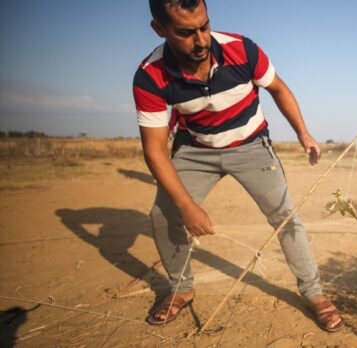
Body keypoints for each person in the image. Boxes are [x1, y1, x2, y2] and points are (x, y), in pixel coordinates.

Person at [132, 0, 343, 332]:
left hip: (251, 145)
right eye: (186, 33)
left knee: (285, 215)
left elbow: (278, 88)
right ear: (159, 29)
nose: (201, 40)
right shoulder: (149, 76)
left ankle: (314, 293)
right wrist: (186, 206)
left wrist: (304, 133)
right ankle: (181, 288)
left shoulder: (242, 50)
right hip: (195, 149)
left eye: (204, 26)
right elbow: (155, 151)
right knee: (163, 214)